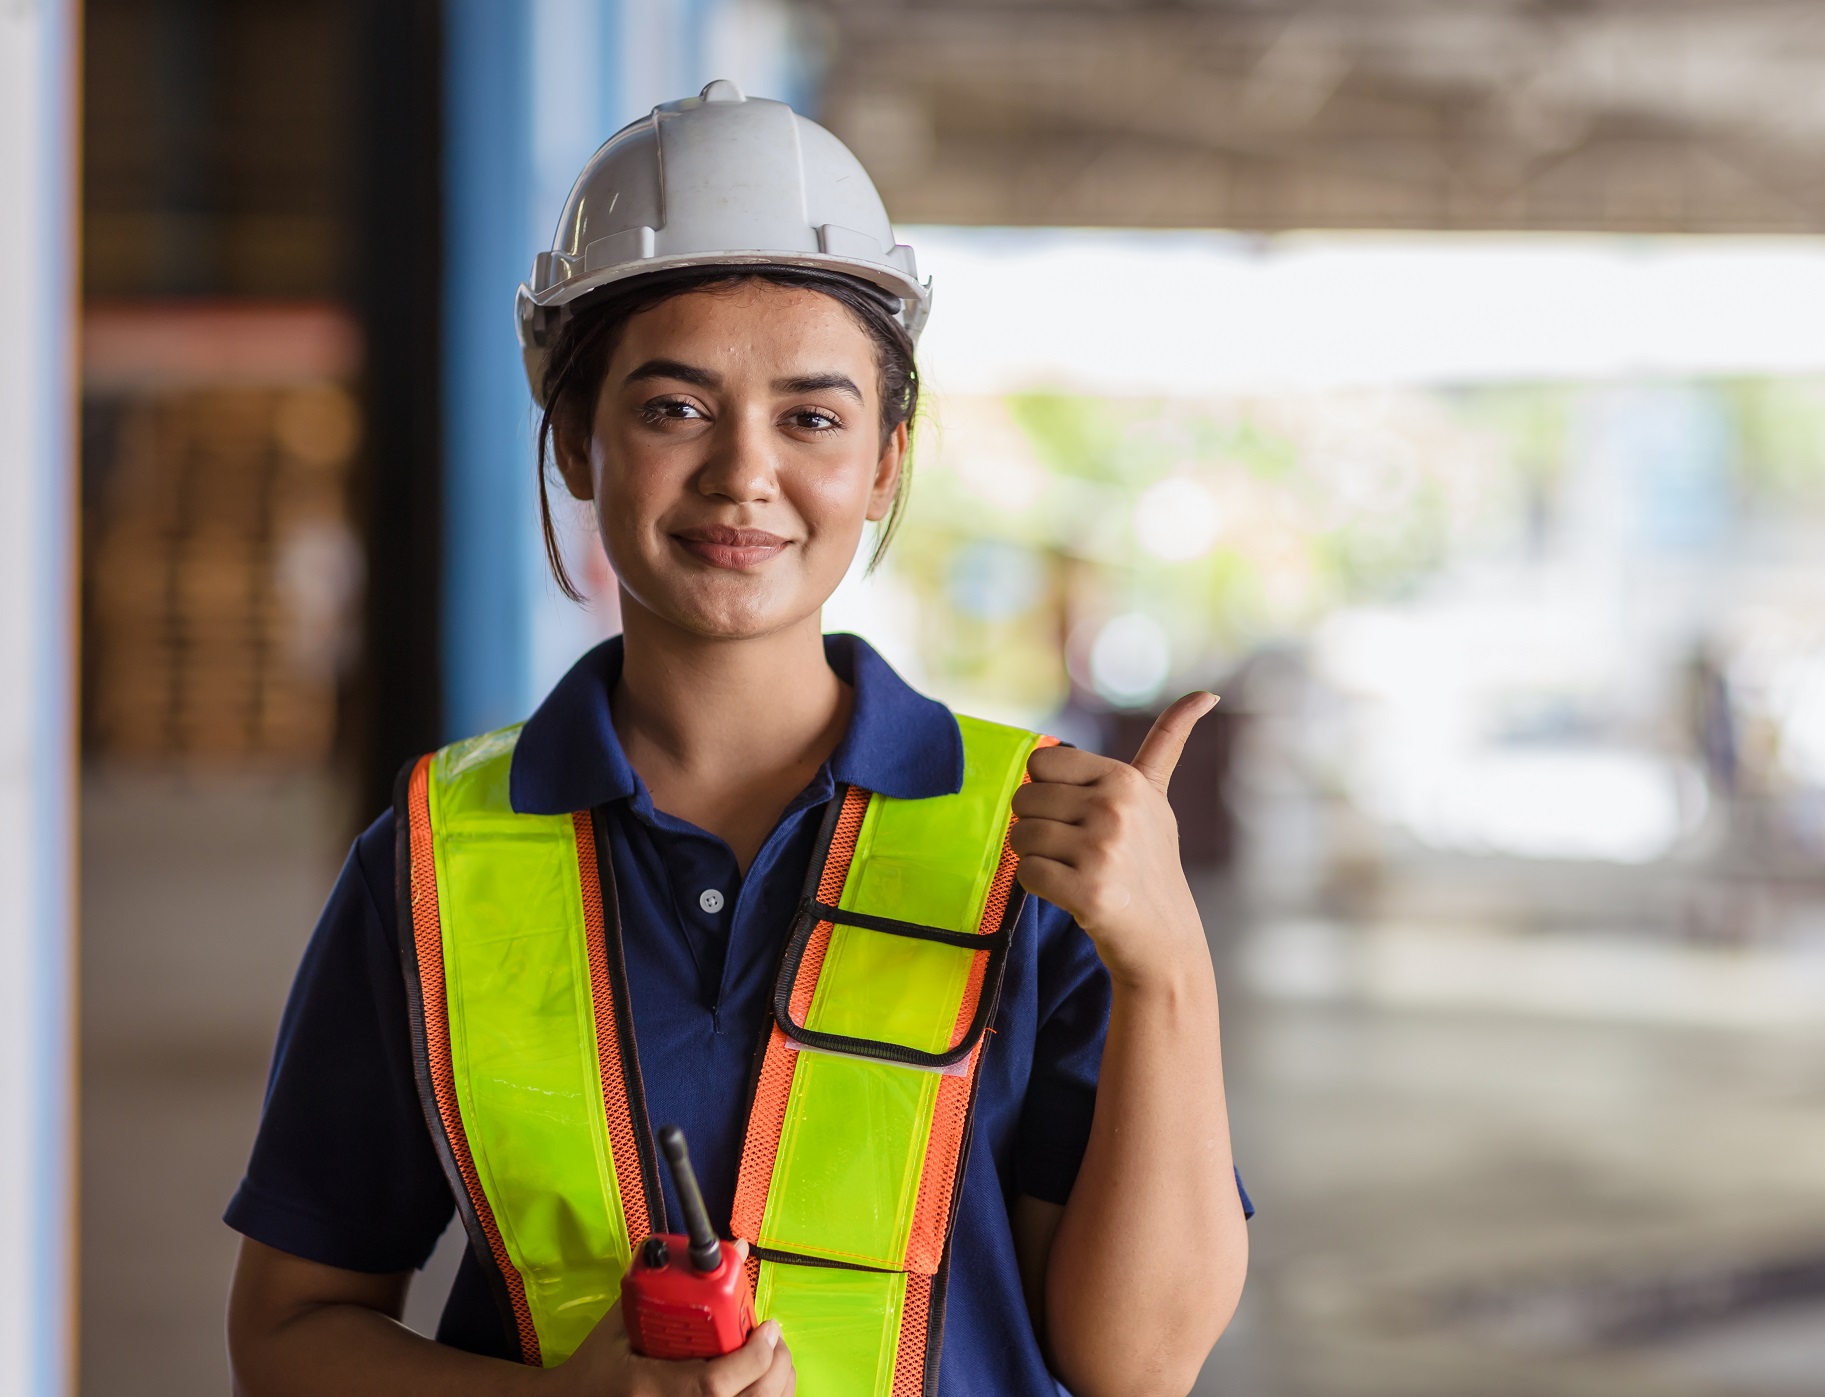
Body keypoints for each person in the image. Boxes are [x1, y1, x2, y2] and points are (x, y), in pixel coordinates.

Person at [224, 82, 1247, 1397]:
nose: (744, 473)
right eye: (674, 407)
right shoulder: (436, 857)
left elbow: (1139, 1364)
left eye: (813, 416)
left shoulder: (1033, 843)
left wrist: (1167, 965)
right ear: (581, 442)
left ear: (885, 460)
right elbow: (287, 1335)